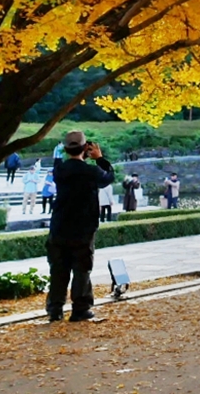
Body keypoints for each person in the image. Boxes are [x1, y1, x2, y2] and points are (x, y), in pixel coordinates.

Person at [47, 130, 114, 322]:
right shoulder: (91, 171)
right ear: (86, 148)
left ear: (66, 149)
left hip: (59, 226)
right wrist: (99, 158)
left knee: (58, 269)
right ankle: (80, 308)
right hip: (84, 227)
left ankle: (55, 309)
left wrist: (61, 154)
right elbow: (108, 177)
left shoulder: (59, 170)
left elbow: (58, 162)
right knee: (82, 269)